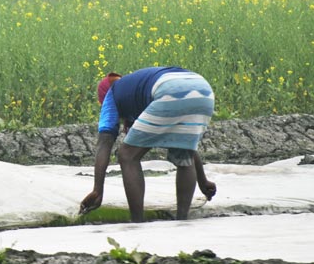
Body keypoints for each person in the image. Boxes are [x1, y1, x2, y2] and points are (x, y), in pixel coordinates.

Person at [79, 67, 217, 222]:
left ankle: (138, 223)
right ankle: (182, 221)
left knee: (127, 155)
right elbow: (188, 147)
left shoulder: (111, 94)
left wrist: (97, 190)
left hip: (170, 88)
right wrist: (203, 181)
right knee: (183, 150)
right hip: (203, 90)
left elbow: (105, 142)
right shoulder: (136, 89)